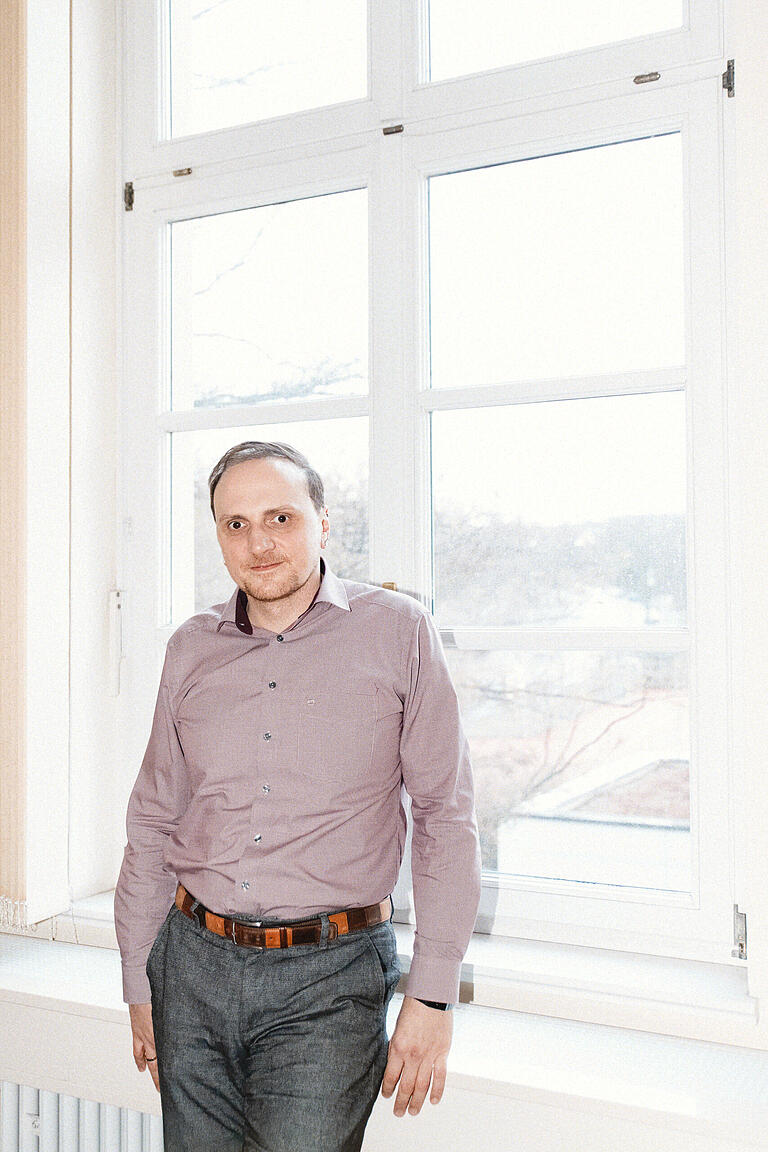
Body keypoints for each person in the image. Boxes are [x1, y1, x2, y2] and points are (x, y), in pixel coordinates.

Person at [114, 440, 481, 1152]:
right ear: (218, 535)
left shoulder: (398, 632)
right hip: (190, 966)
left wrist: (431, 993)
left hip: (330, 977)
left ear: (322, 521)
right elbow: (154, 817)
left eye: (280, 517)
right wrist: (139, 980)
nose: (259, 542)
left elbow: (445, 816)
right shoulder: (190, 648)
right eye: (236, 523)